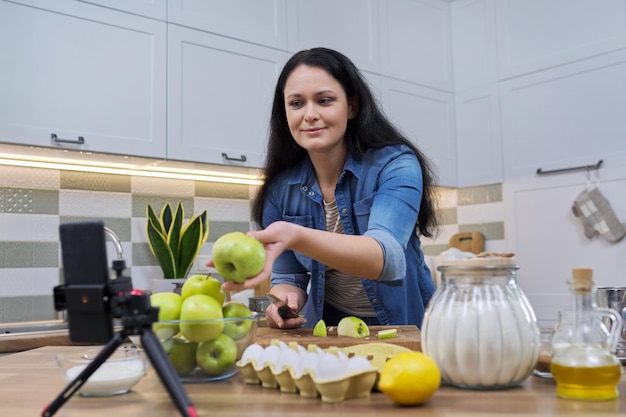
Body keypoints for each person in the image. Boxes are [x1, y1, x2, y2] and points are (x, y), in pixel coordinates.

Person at [219, 47, 439, 330]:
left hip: (407, 328)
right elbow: (290, 277)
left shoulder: (396, 165)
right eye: (296, 104)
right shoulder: (279, 189)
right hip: (330, 329)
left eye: (324, 100)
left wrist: (295, 235)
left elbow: (385, 258)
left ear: (352, 106)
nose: (309, 115)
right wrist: (285, 304)